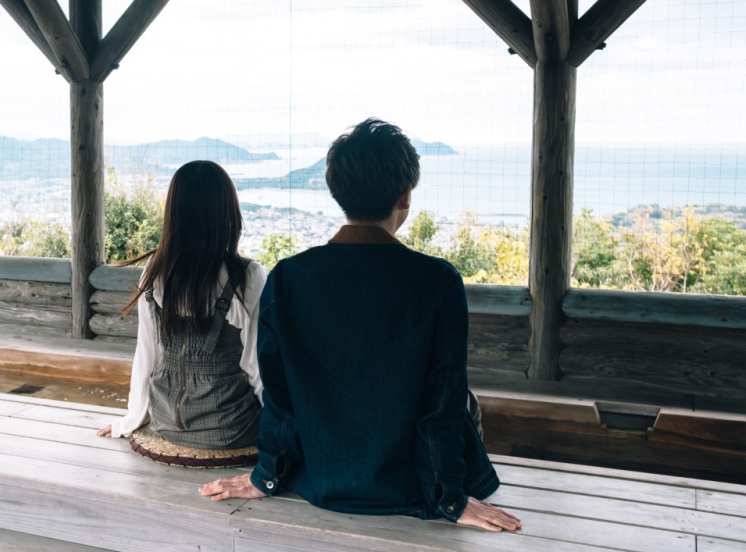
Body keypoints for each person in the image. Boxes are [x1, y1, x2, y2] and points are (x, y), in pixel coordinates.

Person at [200, 119, 522, 533]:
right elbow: (442, 404)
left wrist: (266, 476)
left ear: (337, 192)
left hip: (317, 480)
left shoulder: (289, 278)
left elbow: (280, 397)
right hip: (407, 488)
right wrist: (450, 498)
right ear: (406, 195)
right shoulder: (436, 282)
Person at [98, 160, 266, 451]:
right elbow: (257, 366)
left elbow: (147, 356)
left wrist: (131, 420)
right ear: (227, 211)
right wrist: (284, 434)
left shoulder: (155, 269)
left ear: (174, 214)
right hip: (230, 430)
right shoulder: (246, 276)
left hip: (167, 423)